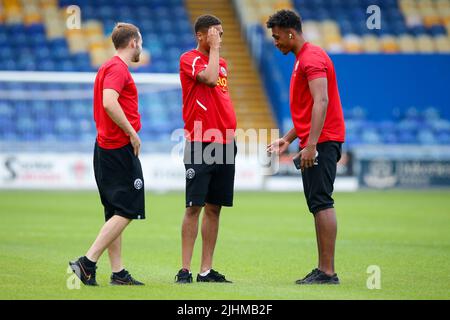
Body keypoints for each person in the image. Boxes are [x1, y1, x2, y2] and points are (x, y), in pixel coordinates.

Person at [266, 10, 345, 285]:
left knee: (322, 201)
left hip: (321, 141)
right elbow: (310, 107)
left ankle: (327, 272)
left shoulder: (311, 58)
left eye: (277, 37)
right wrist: (288, 139)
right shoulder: (304, 58)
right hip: (316, 139)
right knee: (317, 203)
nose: (275, 42)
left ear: (291, 32)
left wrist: (310, 145)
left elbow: (321, 101)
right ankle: (324, 269)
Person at [69, 22, 145, 286]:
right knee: (128, 208)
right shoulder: (117, 68)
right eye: (141, 42)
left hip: (105, 147)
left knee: (114, 210)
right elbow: (109, 102)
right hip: (118, 148)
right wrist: (132, 134)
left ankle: (118, 272)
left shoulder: (106, 67)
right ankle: (86, 263)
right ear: (133, 42)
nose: (141, 48)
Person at [175, 14, 237, 283]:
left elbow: (219, 92)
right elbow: (210, 79)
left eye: (221, 34)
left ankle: (206, 270)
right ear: (201, 35)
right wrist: (214, 49)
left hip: (226, 142)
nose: (219, 38)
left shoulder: (221, 63)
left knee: (215, 207)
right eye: (215, 33)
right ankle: (185, 269)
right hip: (201, 141)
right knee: (194, 206)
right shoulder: (189, 58)